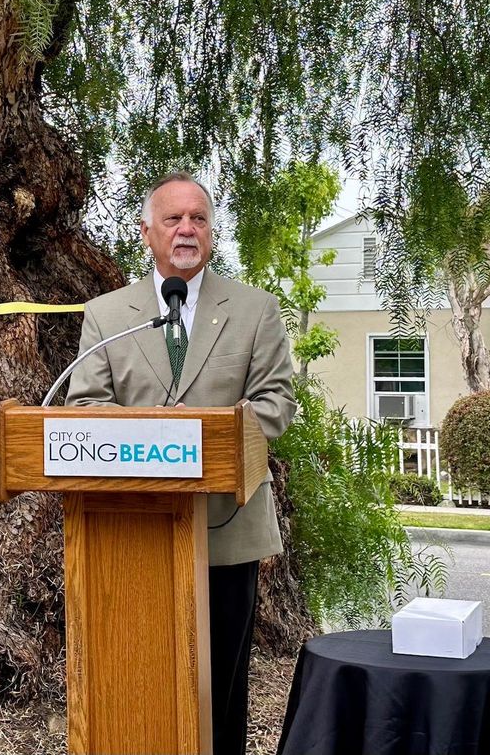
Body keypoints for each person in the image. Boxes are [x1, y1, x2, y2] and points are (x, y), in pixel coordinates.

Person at [66, 171, 296, 755]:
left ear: (212, 234)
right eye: (173, 219)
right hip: (132, 531)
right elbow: (85, 404)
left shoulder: (255, 310)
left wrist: (208, 436)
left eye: (198, 219)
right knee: (136, 673)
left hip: (226, 527)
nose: (187, 229)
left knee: (220, 683)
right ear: (147, 232)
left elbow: (275, 405)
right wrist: (153, 438)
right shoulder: (107, 314)